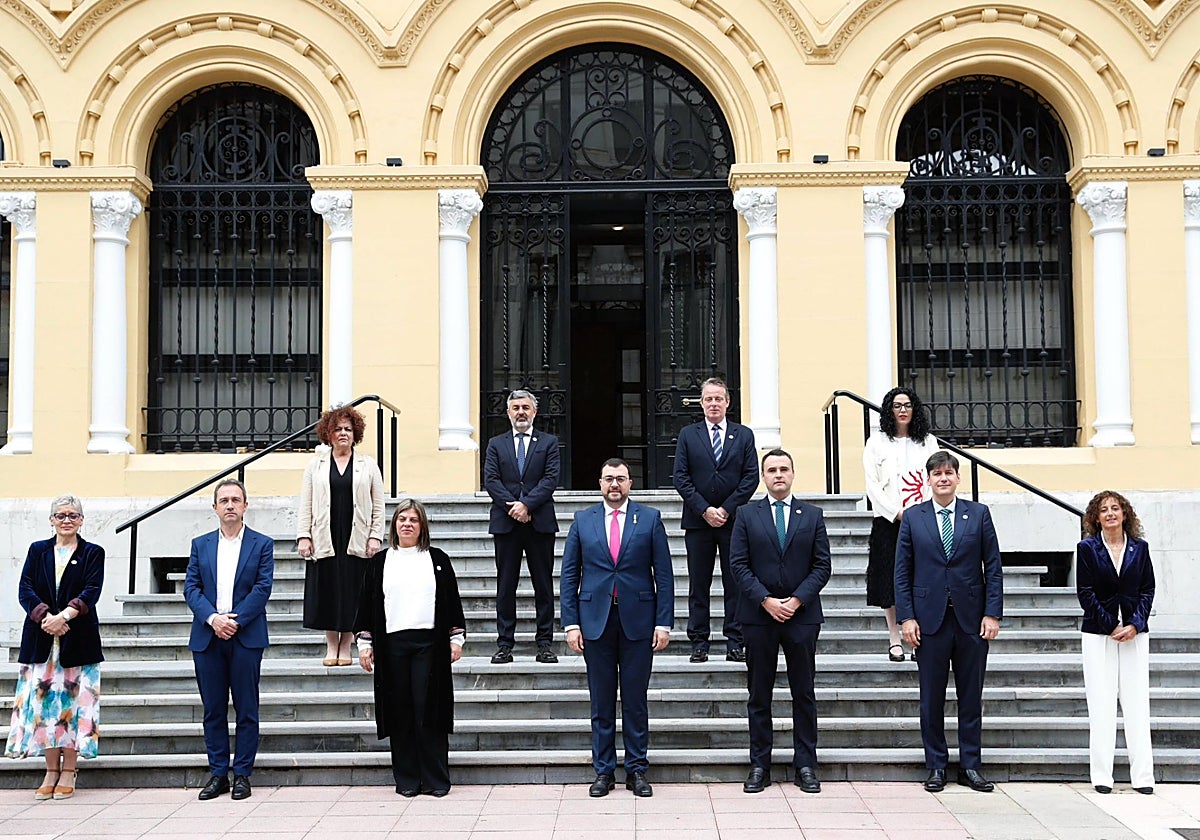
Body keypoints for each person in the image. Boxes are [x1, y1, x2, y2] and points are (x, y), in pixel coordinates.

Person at [560, 458, 674, 798]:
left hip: (639, 623)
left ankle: (637, 770)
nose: (614, 484)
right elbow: (569, 575)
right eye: (609, 478)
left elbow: (664, 576)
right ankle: (604, 771)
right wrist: (570, 623)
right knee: (602, 701)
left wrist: (664, 622)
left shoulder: (650, 519)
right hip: (594, 623)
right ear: (599, 483)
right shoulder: (583, 521)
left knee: (636, 700)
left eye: (620, 479)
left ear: (630, 483)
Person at [895, 451, 1003, 793]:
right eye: (937, 473)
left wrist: (992, 613)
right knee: (931, 698)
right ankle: (937, 766)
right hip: (929, 622)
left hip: (971, 620)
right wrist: (907, 617)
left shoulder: (979, 514)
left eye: (948, 473)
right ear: (928, 480)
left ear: (958, 478)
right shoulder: (913, 518)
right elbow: (902, 572)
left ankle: (970, 766)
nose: (943, 478)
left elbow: (993, 566)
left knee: (971, 697)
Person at [730, 449, 831, 794]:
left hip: (802, 618)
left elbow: (822, 566)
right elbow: (738, 565)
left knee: (804, 693)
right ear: (763, 475)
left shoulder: (813, 515)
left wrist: (797, 600)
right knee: (759, 694)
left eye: (783, 469)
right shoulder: (745, 515)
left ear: (793, 473)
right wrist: (767, 601)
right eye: (771, 469)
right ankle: (760, 764)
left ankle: (806, 764)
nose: (778, 475)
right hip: (759, 617)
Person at [356, 499, 466, 797]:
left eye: (413, 520)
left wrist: (455, 639)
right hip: (392, 645)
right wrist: (365, 643)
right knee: (400, 710)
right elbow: (367, 605)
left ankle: (435, 780)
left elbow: (452, 602)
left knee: (429, 710)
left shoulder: (438, 559)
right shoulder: (380, 561)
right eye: (402, 519)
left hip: (429, 645)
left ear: (422, 526)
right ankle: (406, 779)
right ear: (394, 525)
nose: (407, 524)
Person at [6, 495, 104, 800]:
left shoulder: (92, 553)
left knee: (72, 708)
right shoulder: (37, 551)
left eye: (73, 515)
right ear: (51, 520)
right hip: (41, 641)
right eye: (60, 515)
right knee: (45, 707)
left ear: (81, 520)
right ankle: (50, 770)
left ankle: (70, 770)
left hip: (78, 642)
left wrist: (64, 617)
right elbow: (25, 589)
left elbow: (92, 590)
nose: (66, 520)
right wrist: (46, 618)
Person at [184, 478, 275, 801]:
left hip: (245, 636)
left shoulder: (262, 544)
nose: (230, 505)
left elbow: (262, 588)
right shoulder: (201, 544)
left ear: (245, 506)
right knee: (213, 709)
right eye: (224, 500)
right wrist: (213, 619)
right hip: (208, 637)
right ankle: (218, 773)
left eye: (236, 500)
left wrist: (233, 621)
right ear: (215, 508)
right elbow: (191, 589)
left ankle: (243, 775)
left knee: (247, 708)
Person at [672, 377, 758, 663]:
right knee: (699, 583)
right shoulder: (688, 434)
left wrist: (727, 509)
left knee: (735, 582)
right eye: (708, 399)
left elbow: (750, 477)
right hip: (698, 523)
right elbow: (680, 478)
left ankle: (736, 641)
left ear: (727, 402)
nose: (713, 404)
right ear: (701, 403)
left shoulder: (743, 435)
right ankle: (699, 641)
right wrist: (705, 509)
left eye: (718, 399)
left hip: (734, 522)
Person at [1076, 491, 1155, 795]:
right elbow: (1085, 592)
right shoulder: (1086, 549)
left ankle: (1143, 777)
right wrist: (1111, 625)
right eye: (1104, 510)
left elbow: (1148, 589)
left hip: (1135, 635)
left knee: (1137, 703)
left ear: (1125, 514)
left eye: (1115, 508)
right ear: (1096, 517)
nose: (1110, 514)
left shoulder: (1140, 548)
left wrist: (1135, 623)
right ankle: (1102, 776)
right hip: (1099, 634)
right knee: (1101, 703)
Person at [296, 406, 386, 666]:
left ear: (355, 433)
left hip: (355, 537)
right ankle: (331, 646)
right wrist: (304, 536)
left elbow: (377, 505)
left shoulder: (367, 464)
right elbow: (306, 502)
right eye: (337, 429)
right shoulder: (316, 465)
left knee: (352, 593)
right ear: (328, 433)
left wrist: (375, 537)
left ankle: (347, 646)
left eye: (347, 429)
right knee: (327, 591)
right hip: (325, 535)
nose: (343, 433)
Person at [862, 387, 939, 662]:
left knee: (920, 577)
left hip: (923, 520)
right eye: (897, 406)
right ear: (889, 410)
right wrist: (896, 512)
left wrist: (921, 512)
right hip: (888, 521)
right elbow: (872, 484)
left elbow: (935, 474)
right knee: (889, 579)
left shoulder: (927, 442)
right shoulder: (876, 442)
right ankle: (895, 638)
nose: (903, 410)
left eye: (907, 405)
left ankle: (917, 638)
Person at [483, 390, 560, 664]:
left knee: (543, 585)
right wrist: (513, 507)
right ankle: (504, 644)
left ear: (534, 411)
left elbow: (550, 479)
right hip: (506, 523)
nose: (520, 412)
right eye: (515, 407)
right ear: (508, 412)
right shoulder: (496, 444)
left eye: (525, 407)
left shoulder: (548, 443)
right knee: (506, 586)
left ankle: (545, 644)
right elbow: (491, 480)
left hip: (539, 523)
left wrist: (526, 505)